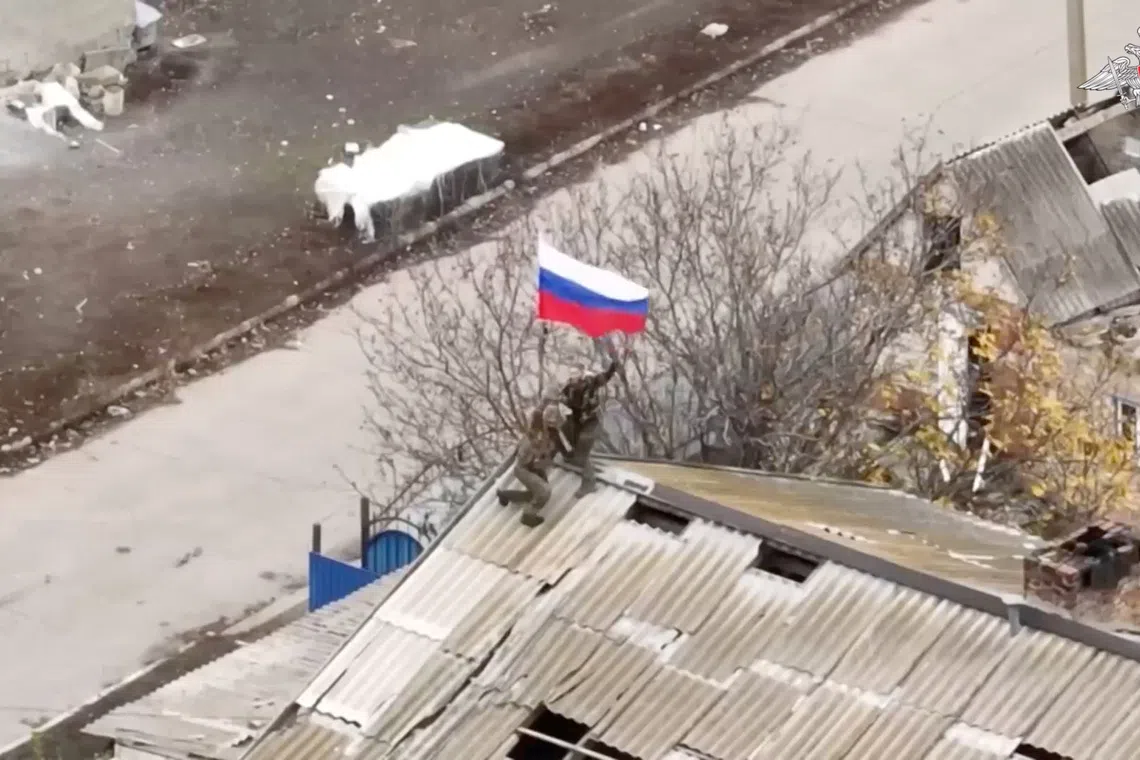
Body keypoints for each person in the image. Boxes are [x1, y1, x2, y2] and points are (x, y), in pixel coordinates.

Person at [559, 342, 627, 498]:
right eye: (571, 373)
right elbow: (560, 399)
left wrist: (614, 364)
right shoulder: (568, 388)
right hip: (576, 420)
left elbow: (606, 376)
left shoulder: (591, 383)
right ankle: (572, 458)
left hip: (590, 421)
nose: (573, 376)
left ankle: (589, 483)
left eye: (576, 373)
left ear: (582, 373)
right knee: (566, 433)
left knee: (583, 448)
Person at [497, 402, 566, 527]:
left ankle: (506, 495)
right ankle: (528, 516)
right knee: (544, 492)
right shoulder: (537, 435)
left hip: (531, 466)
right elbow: (533, 458)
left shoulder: (544, 434)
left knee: (535, 493)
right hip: (526, 468)